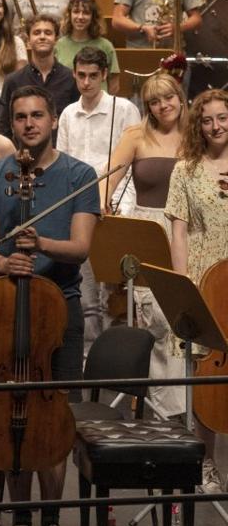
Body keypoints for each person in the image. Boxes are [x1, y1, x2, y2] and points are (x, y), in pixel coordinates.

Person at [0, 85, 99, 526]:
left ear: (53, 120)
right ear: (12, 123)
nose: (29, 124)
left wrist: (40, 242)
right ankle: (20, 525)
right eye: (21, 116)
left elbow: (81, 247)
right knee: (9, 415)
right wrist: (6, 265)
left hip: (58, 310)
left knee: (52, 418)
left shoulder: (79, 174)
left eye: (38, 115)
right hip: (4, 311)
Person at [103, 72, 188, 419]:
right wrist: (102, 210)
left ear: (180, 97)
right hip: (149, 228)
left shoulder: (195, 135)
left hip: (189, 231)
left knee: (184, 323)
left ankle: (182, 409)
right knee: (156, 323)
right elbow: (107, 177)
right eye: (154, 101)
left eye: (168, 97)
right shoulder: (136, 135)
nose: (162, 106)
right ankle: (166, 412)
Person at [56, 48, 140, 351]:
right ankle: (89, 361)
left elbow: (131, 164)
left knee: (114, 292)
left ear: (104, 75)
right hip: (79, 208)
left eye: (93, 76)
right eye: (81, 75)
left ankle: (116, 361)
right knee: (86, 294)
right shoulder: (68, 113)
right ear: (75, 74)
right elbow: (62, 164)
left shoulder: (125, 107)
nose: (87, 82)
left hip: (116, 203)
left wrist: (121, 205)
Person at [167, 89, 228, 493]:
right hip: (208, 278)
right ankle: (206, 464)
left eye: (222, 117)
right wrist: (183, 285)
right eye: (206, 120)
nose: (216, 126)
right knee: (208, 377)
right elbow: (179, 232)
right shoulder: (185, 169)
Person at [0, 15, 78, 137]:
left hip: (61, 151)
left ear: (56, 39)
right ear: (28, 40)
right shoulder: (13, 81)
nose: (42, 37)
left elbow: (76, 122)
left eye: (48, 33)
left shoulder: (71, 78)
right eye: (36, 33)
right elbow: (4, 127)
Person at [56, 0, 120, 94]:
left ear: (93, 17)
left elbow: (114, 85)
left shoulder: (106, 46)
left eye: (86, 13)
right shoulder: (58, 45)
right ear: (69, 15)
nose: (80, 17)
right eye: (76, 12)